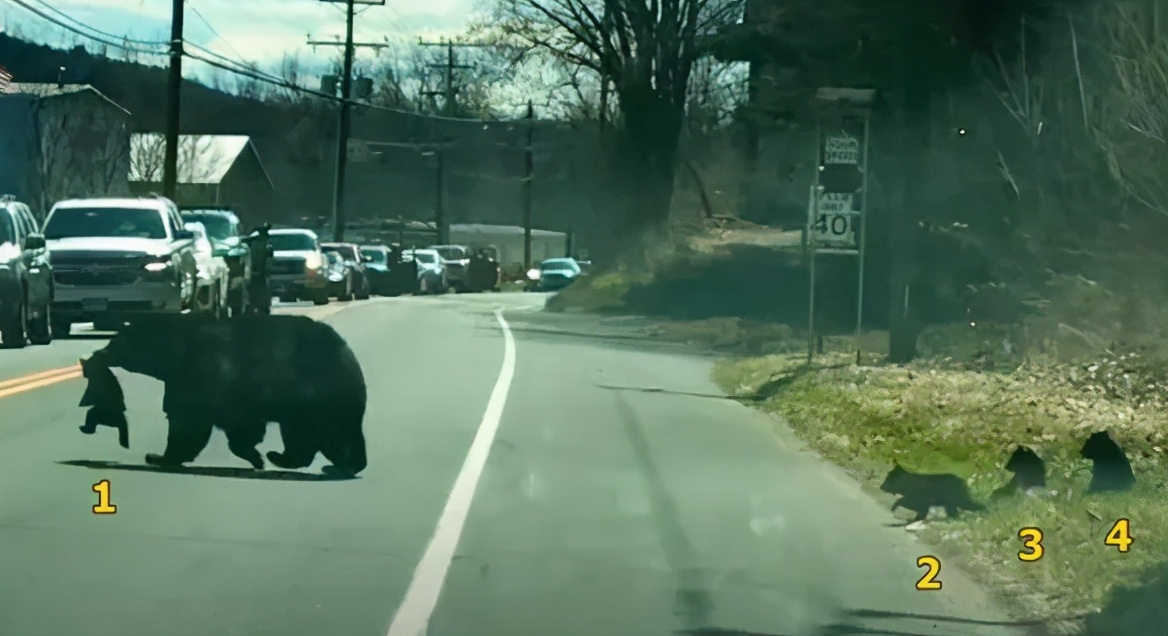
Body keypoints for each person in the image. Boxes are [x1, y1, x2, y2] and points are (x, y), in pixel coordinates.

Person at [241, 223, 273, 314]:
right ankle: (254, 306)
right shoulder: (252, 243)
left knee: (260, 289)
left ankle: (260, 306)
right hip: (254, 272)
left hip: (259, 273)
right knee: (256, 289)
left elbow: (269, 259)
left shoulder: (264, 243)